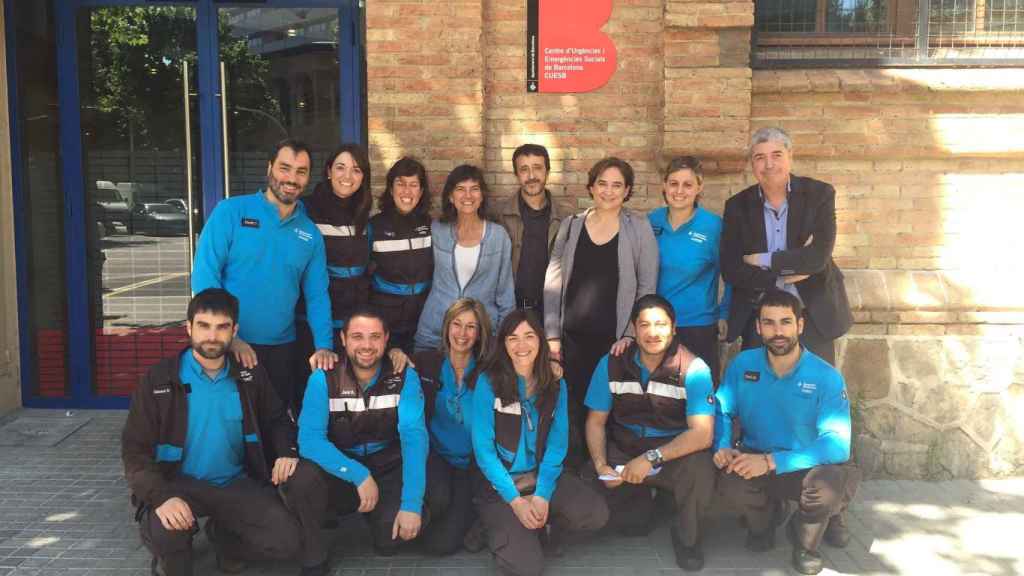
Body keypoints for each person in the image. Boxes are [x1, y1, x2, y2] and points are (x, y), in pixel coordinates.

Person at [121, 289, 300, 576]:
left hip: (235, 483)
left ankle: (226, 540)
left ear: (235, 331)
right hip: (177, 484)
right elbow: (134, 450)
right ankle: (171, 552)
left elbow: (277, 419)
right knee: (169, 538)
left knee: (288, 542)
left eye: (222, 327)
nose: (212, 336)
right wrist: (160, 497)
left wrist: (285, 453)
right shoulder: (159, 379)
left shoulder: (250, 374)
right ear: (189, 327)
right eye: (203, 326)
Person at [281, 308, 443, 575]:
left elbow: (414, 439)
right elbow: (309, 440)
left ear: (387, 339)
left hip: (388, 466)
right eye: (357, 336)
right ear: (343, 339)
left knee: (391, 539)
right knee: (301, 479)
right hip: (342, 469)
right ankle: (314, 552)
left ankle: (379, 516)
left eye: (375, 337)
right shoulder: (324, 377)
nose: (366, 345)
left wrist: (411, 504)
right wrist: (357, 474)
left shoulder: (403, 375)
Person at [715, 289, 860, 575]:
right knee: (727, 479)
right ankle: (767, 520)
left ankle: (806, 541)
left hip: (806, 465)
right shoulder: (743, 364)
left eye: (785, 322)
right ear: (758, 327)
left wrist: (772, 462)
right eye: (768, 323)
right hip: (758, 456)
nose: (777, 331)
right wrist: (722, 444)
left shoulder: (826, 377)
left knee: (827, 484)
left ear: (800, 325)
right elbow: (721, 409)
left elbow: (837, 446)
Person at [192, 138, 336, 410]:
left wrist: (324, 346)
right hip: (227, 347)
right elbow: (204, 279)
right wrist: (230, 337)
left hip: (282, 350)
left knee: (276, 428)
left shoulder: (310, 234)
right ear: (270, 168)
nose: (291, 178)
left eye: (301, 171)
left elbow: (317, 295)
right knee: (233, 429)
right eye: (285, 168)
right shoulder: (231, 212)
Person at [471, 310, 609, 576]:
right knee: (528, 567)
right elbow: (484, 452)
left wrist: (542, 495)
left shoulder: (555, 384)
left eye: (529, 336)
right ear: (504, 344)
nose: (521, 346)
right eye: (513, 338)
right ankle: (494, 526)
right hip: (501, 484)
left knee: (595, 513)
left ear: (541, 341)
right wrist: (516, 500)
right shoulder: (488, 383)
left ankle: (537, 528)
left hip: (539, 477)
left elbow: (557, 446)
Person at [585, 294, 716, 571]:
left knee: (700, 468)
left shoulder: (694, 368)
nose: (653, 333)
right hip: (624, 449)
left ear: (674, 327)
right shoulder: (611, 363)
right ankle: (651, 504)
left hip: (671, 455)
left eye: (660, 324)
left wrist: (651, 458)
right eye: (644, 325)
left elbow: (702, 435)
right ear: (633, 329)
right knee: (619, 517)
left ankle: (687, 539)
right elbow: (595, 421)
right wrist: (601, 464)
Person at [544, 157, 658, 462]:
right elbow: (552, 284)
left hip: (614, 344)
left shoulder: (639, 228)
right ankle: (574, 472)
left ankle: (608, 475)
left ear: (627, 190)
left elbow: (647, 287)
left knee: (609, 412)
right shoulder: (571, 226)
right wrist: (552, 336)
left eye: (617, 185)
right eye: (602, 184)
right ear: (591, 187)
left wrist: (632, 335)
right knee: (572, 410)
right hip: (571, 341)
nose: (608, 191)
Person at [720, 127, 853, 365]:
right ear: (752, 164)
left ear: (790, 156)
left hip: (812, 313)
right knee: (759, 394)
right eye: (759, 157)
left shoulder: (819, 195)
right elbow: (730, 268)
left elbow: (817, 258)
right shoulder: (736, 206)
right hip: (760, 317)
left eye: (776, 155)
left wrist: (762, 260)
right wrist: (779, 278)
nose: (768, 164)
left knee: (814, 392)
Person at [411, 298, 493, 554]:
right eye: (457, 324)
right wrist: (394, 353)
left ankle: (476, 517)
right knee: (437, 503)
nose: (462, 333)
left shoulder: (488, 371)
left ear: (479, 334)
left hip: (473, 464)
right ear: (447, 327)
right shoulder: (426, 363)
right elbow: (392, 365)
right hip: (437, 458)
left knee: (440, 545)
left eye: (471, 327)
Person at [294, 143, 374, 404]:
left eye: (356, 170)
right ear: (328, 171)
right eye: (340, 167)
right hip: (312, 321)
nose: (347, 176)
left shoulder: (363, 214)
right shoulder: (306, 210)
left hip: (351, 323)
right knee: (310, 394)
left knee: (345, 397)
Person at [648, 156, 731, 384]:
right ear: (664, 186)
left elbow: (730, 275)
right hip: (656, 327)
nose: (679, 191)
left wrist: (724, 314)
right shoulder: (650, 222)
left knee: (700, 397)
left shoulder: (714, 226)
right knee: (659, 399)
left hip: (698, 327)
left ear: (699, 187)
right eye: (673, 183)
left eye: (688, 184)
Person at [415, 164, 515, 351]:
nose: (468, 196)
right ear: (451, 197)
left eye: (474, 189)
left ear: (482, 195)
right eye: (460, 189)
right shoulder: (437, 230)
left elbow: (506, 295)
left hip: (480, 335)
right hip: (434, 331)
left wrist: (499, 338)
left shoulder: (498, 236)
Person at [493, 144, 570, 317]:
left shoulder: (566, 218)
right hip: (511, 312)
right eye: (524, 169)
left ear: (547, 172)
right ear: (516, 175)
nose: (531, 176)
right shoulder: (499, 216)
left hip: (551, 314)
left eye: (537, 168)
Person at [368, 157, 434, 353]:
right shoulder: (375, 226)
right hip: (386, 322)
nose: (407, 191)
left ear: (421, 192)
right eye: (401, 184)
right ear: (391, 189)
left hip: (423, 321)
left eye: (413, 185)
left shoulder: (430, 225)